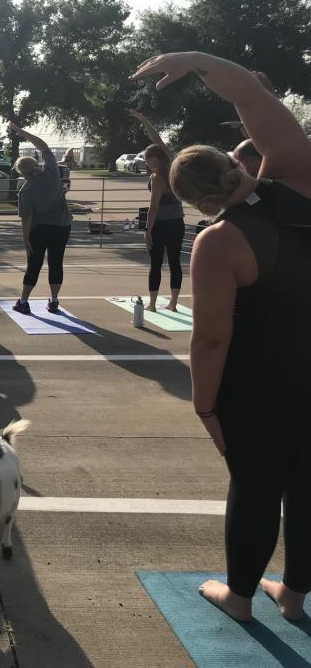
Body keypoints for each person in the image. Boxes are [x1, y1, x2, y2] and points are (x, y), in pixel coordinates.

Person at [133, 51, 311, 622]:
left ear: (194, 201)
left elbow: (210, 338)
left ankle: (239, 596)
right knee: (309, 483)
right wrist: (197, 61)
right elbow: (255, 101)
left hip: (261, 384)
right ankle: (295, 592)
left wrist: (204, 404)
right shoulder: (301, 178)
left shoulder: (219, 241)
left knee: (256, 485)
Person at [10, 122, 72, 315]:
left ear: (22, 174)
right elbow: (43, 146)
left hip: (39, 229)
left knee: (34, 265)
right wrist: (22, 132)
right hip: (62, 226)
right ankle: (54, 301)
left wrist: (25, 238)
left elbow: (26, 218)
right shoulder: (52, 172)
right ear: (36, 165)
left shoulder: (26, 191)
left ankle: (24, 300)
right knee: (56, 262)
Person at [128, 109, 186, 312]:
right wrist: (144, 120)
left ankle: (152, 303)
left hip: (161, 224)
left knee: (156, 264)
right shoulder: (172, 167)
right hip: (178, 222)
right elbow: (159, 142)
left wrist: (147, 230)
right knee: (174, 262)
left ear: (157, 159)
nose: (147, 162)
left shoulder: (157, 178)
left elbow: (154, 207)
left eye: (150, 159)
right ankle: (174, 303)